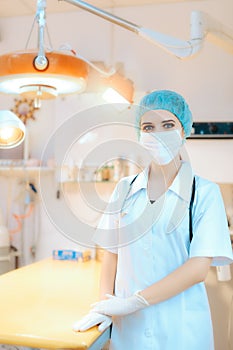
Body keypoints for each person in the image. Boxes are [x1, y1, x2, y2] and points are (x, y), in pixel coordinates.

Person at [73, 90, 233, 350]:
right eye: (149, 127)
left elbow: (198, 269)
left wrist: (134, 302)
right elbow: (111, 254)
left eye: (167, 125)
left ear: (184, 130)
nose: (157, 133)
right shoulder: (124, 188)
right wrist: (104, 305)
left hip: (181, 329)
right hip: (130, 330)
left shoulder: (204, 193)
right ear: (140, 134)